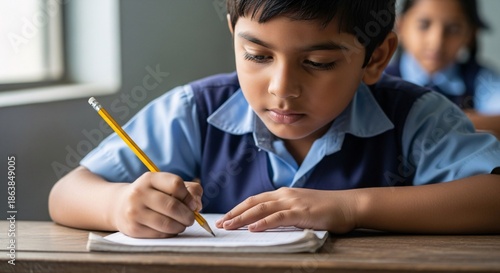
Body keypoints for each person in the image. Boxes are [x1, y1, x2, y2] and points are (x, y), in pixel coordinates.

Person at [49, 0, 500, 238]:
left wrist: (349, 207)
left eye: (319, 62)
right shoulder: (196, 111)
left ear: (376, 56)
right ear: (233, 37)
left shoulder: (415, 117)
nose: (281, 88)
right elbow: (66, 193)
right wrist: (119, 205)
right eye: (257, 55)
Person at [386, 0, 500, 138]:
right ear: (401, 26)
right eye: (424, 25)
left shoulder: (482, 80)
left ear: (470, 34)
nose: (437, 42)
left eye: (453, 29)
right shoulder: (378, 80)